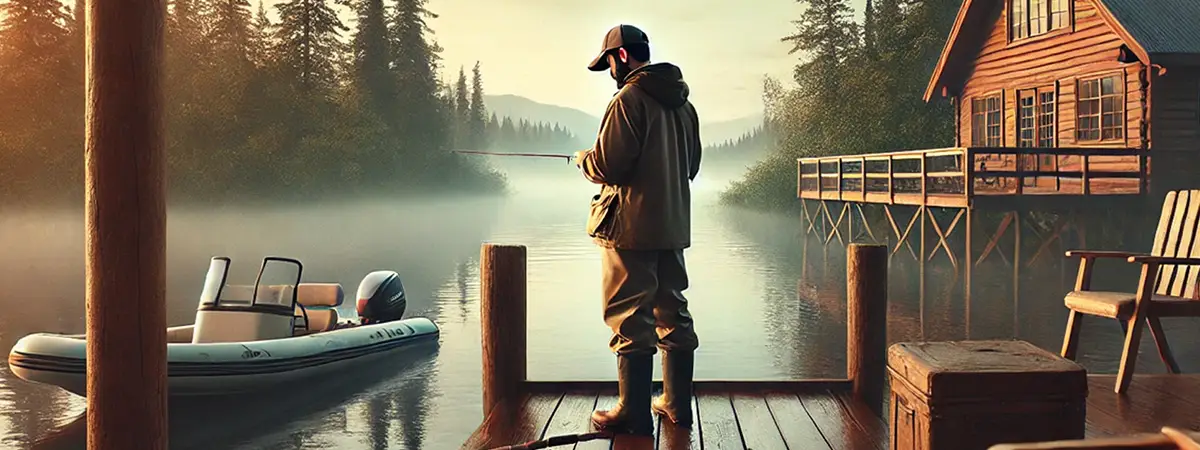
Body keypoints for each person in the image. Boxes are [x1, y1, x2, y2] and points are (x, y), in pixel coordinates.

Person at [571, 24, 702, 436]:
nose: (609, 69)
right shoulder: (684, 105)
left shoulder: (628, 99)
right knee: (672, 313)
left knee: (629, 318)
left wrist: (582, 160)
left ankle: (633, 412)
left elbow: (607, 166)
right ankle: (676, 405)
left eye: (608, 61)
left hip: (629, 230)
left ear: (622, 56)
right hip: (672, 226)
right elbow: (692, 167)